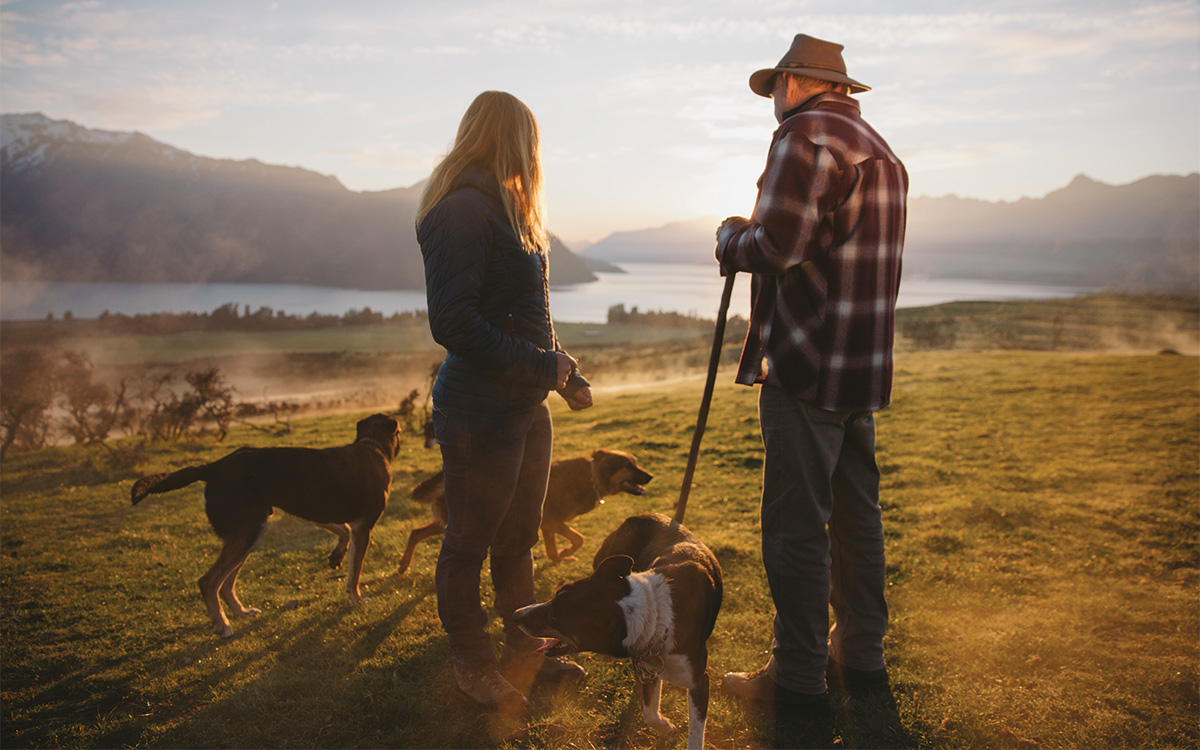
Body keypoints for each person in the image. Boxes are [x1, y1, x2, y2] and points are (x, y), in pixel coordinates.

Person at [714, 33, 908, 719]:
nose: (773, 99)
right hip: (862, 371)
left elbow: (777, 247)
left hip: (805, 366)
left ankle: (796, 682)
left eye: (775, 86)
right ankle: (864, 660)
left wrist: (728, 239)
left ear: (796, 82)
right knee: (858, 521)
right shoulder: (881, 150)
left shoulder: (803, 139)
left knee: (796, 528)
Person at [415, 90, 592, 717]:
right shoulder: (463, 210)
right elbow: (455, 324)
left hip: (522, 408)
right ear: (514, 140)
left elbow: (524, 318)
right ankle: (472, 659)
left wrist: (561, 371)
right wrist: (546, 365)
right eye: (533, 142)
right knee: (468, 540)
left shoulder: (510, 210)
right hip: (478, 411)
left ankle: (525, 646)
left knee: (517, 540)